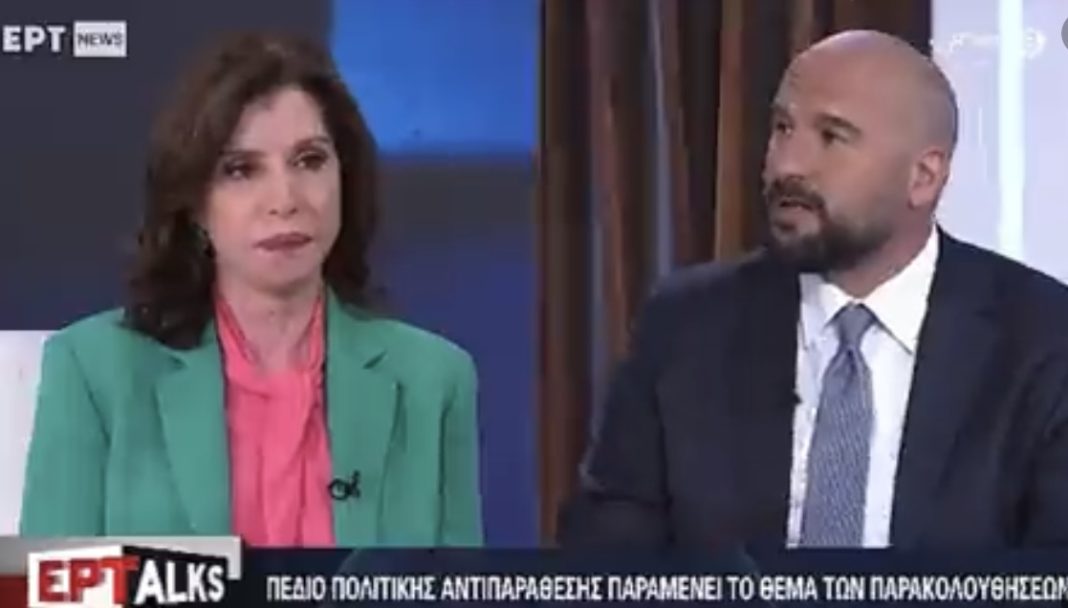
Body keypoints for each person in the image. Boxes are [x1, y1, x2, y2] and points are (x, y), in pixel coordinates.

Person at [560, 30, 1068, 549]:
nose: (787, 165)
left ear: (923, 177)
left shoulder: (1044, 340)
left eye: (832, 136)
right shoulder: (685, 326)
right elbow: (608, 559)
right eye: (782, 128)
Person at [20, 32, 483, 548]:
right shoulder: (94, 371)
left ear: (345, 178)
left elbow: (454, 585)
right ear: (195, 203)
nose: (285, 199)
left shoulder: (432, 382)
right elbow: (44, 584)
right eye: (241, 170)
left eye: (309, 160)